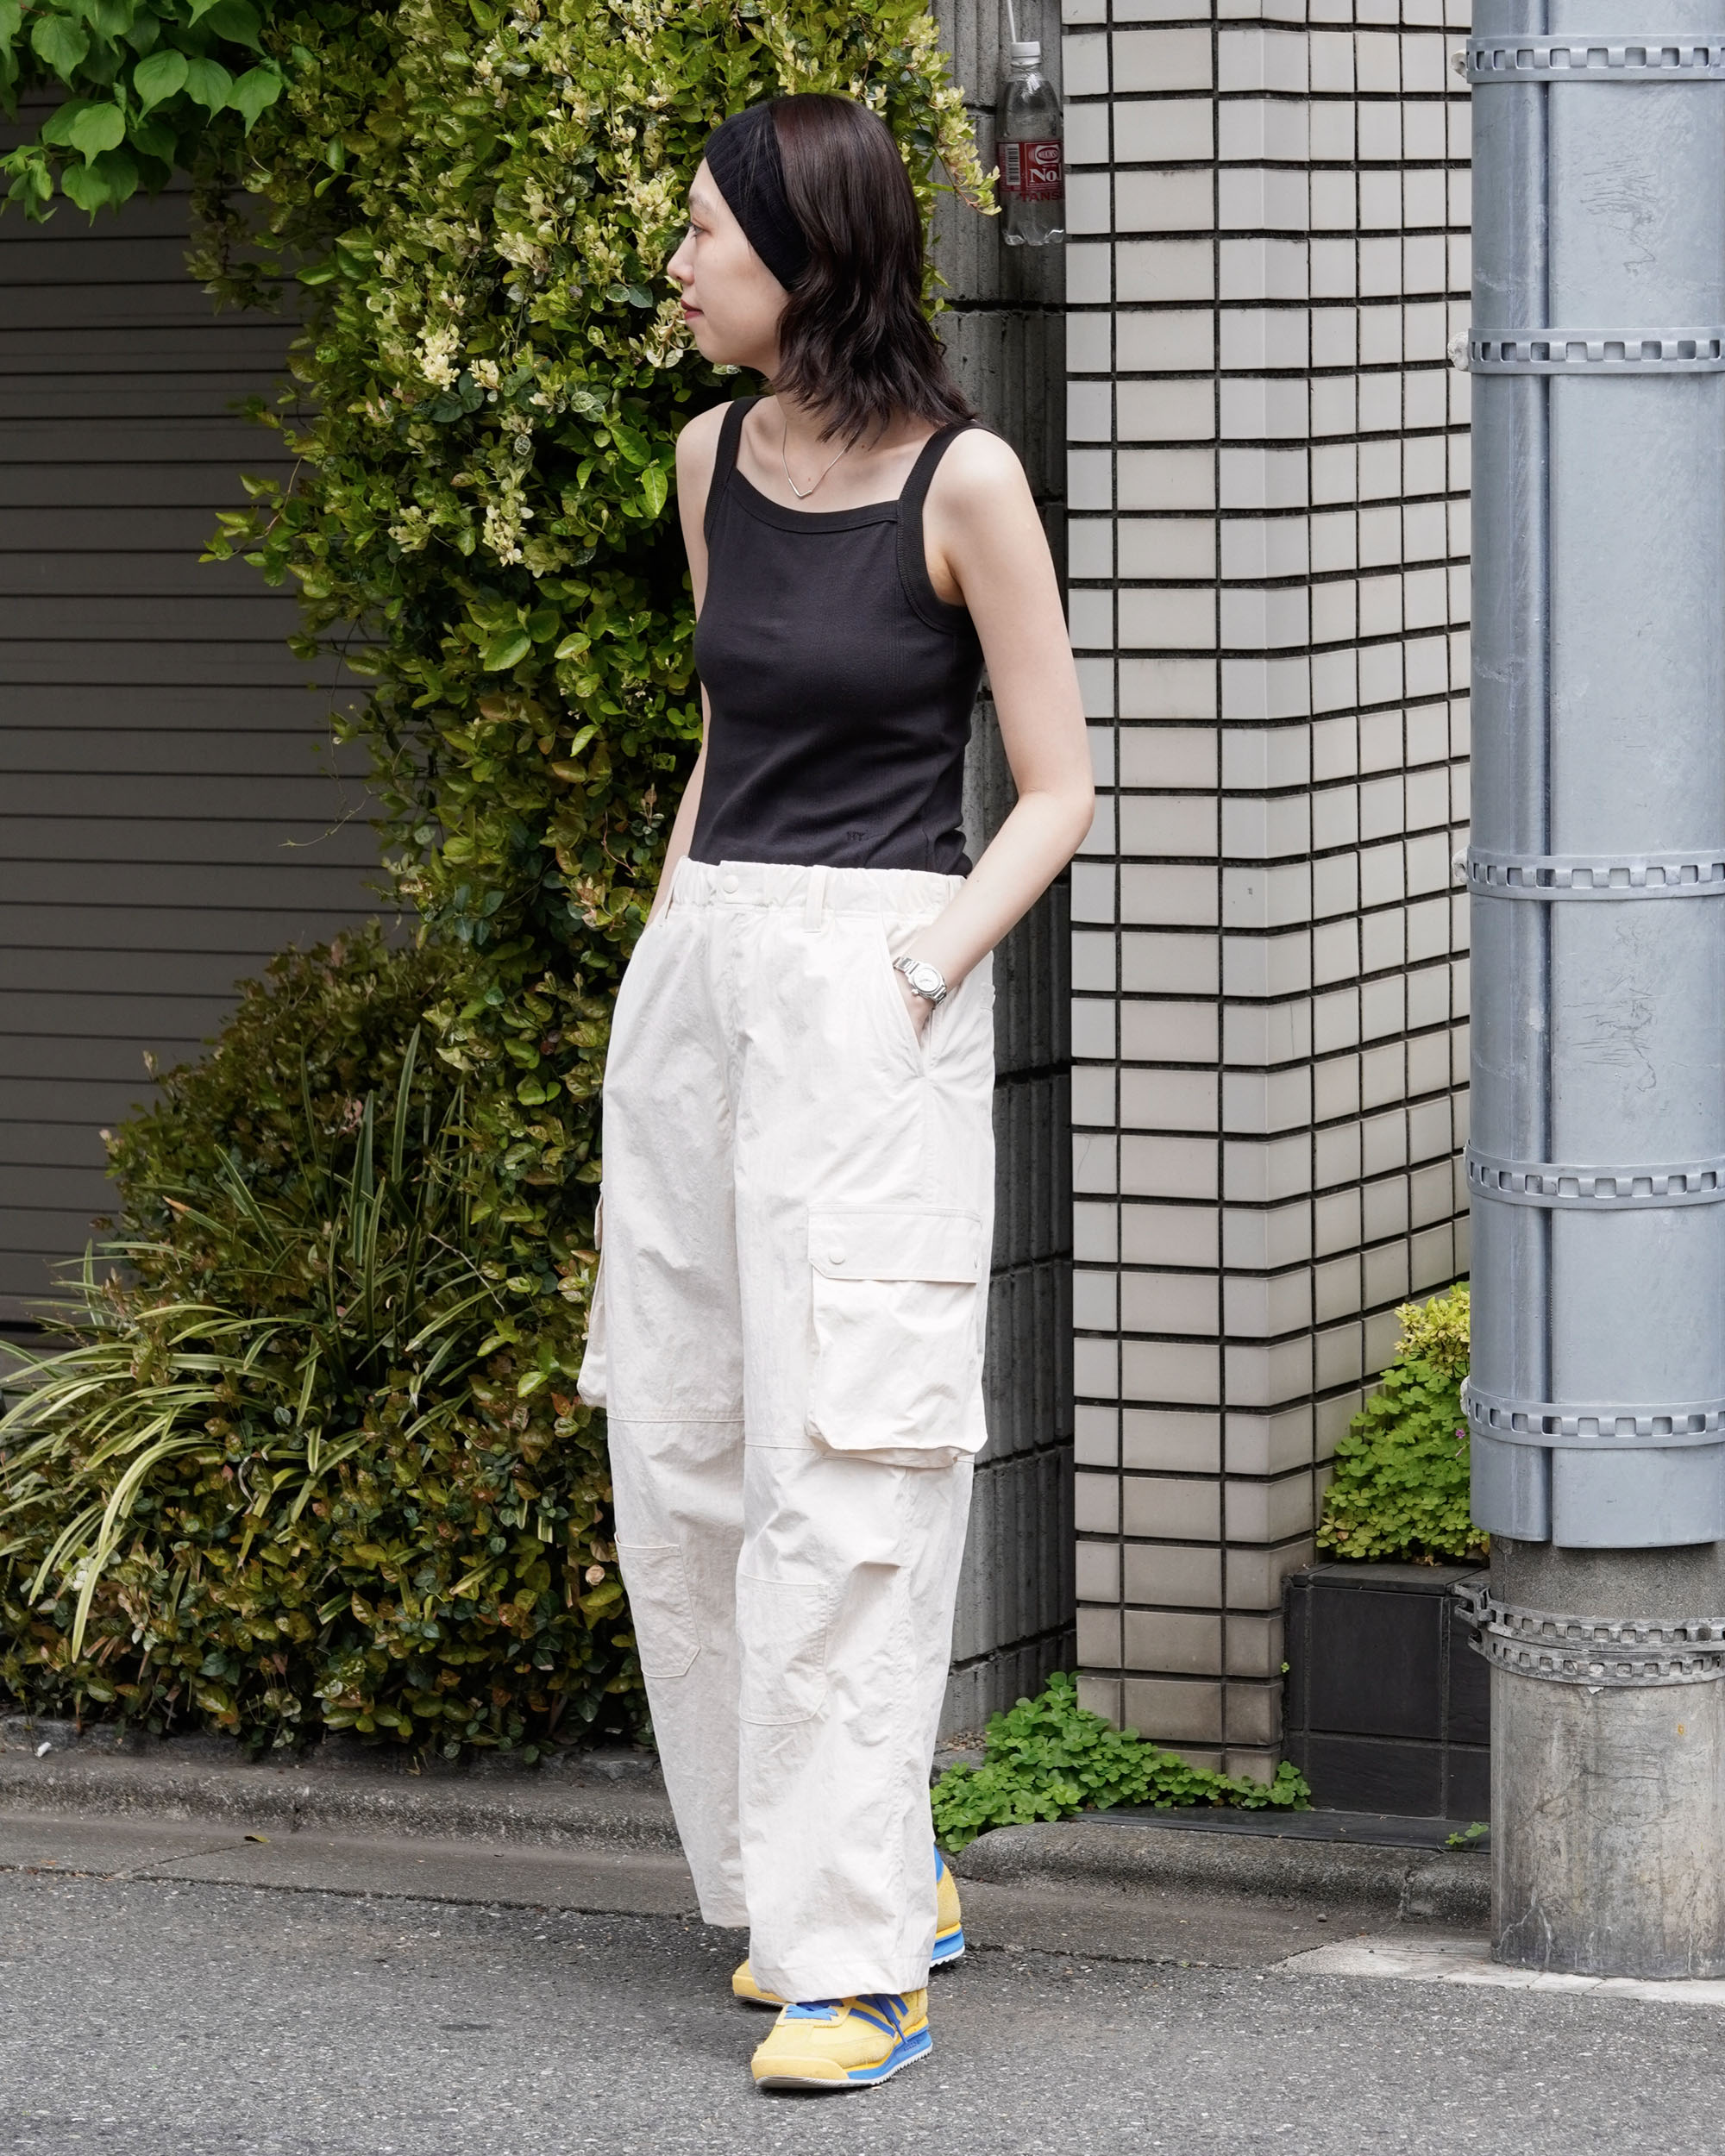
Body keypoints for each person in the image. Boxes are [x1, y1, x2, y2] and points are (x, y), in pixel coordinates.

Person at [576, 91, 1092, 2093]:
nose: (678, 264)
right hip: (707, 975)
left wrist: (922, 967)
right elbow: (725, 738)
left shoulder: (965, 482)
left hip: (873, 986)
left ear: (807, 256)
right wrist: (667, 950)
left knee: (847, 1457)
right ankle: (820, 1879)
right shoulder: (706, 457)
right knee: (691, 1448)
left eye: (704, 233)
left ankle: (860, 1959)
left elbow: (1055, 783)